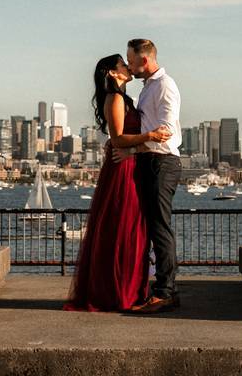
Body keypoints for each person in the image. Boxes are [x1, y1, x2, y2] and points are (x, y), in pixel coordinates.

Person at [63, 54, 171, 312]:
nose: (128, 67)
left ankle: (131, 290)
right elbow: (118, 138)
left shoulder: (126, 99)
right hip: (122, 170)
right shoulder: (115, 99)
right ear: (113, 73)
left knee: (134, 230)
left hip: (132, 165)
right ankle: (117, 293)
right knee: (122, 228)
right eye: (123, 65)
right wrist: (151, 135)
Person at [125, 38, 183, 314]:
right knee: (151, 227)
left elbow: (166, 130)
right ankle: (155, 288)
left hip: (162, 162)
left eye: (132, 61)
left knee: (160, 227)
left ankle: (165, 292)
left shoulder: (164, 86)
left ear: (144, 60)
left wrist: (133, 147)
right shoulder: (149, 88)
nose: (129, 66)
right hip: (149, 161)